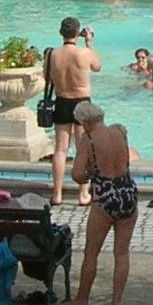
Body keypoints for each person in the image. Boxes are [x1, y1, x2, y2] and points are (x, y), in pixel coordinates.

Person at [64, 100, 139, 305]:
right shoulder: (119, 132)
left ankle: (82, 300)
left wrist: (91, 174)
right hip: (127, 192)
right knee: (122, 253)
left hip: (105, 196)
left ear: (85, 121)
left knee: (92, 252)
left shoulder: (88, 139)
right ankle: (117, 304)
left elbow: (78, 175)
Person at [46, 16, 101, 207]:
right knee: (82, 149)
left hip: (62, 100)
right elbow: (97, 67)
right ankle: (83, 193)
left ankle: (57, 194)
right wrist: (89, 42)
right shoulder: (84, 53)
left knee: (60, 149)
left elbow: (48, 75)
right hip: (82, 102)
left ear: (61, 33)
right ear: (78, 33)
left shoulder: (52, 54)